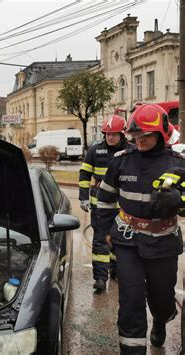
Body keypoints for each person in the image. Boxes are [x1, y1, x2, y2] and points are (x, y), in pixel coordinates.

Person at [96, 103, 185, 354]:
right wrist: (104, 232)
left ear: (161, 134)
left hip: (164, 243)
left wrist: (179, 202)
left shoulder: (178, 163)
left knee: (162, 299)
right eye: (135, 137)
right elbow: (104, 200)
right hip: (128, 242)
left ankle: (160, 320)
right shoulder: (121, 161)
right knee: (131, 300)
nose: (140, 141)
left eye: (145, 136)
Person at [79, 114, 134, 292]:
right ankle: (100, 278)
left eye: (114, 134)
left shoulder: (132, 152)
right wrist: (83, 197)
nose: (110, 137)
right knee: (101, 240)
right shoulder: (95, 151)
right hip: (100, 207)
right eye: (107, 134)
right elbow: (84, 174)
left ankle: (116, 271)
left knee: (120, 241)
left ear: (123, 134)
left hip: (124, 207)